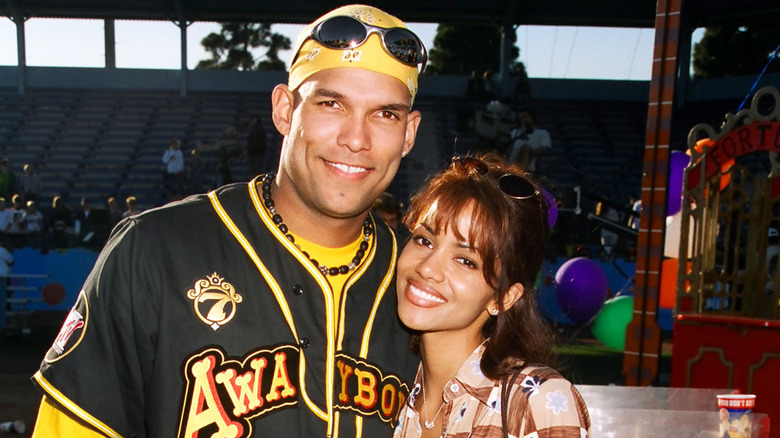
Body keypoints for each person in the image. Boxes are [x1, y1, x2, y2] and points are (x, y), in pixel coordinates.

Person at [31, 5, 426, 437]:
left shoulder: (425, 284)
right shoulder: (154, 250)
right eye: (331, 104)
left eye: (385, 114)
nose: (356, 139)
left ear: (409, 134)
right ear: (284, 110)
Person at [392, 153, 590, 437]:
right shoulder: (387, 390)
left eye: (465, 260)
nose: (427, 268)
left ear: (504, 298)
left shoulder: (534, 402)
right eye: (424, 240)